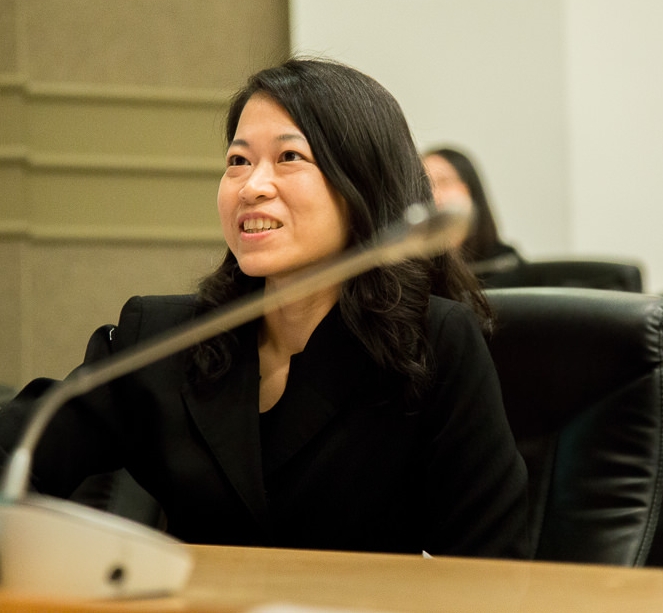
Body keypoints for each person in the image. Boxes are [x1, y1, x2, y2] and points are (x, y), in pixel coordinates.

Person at [0, 58, 529, 559]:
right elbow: (17, 451)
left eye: (289, 157)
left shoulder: (432, 342)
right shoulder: (162, 337)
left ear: (362, 183)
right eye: (238, 161)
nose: (251, 187)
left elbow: (492, 568)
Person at [422, 147, 523, 277]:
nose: (434, 195)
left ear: (469, 189)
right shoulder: (415, 268)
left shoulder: (504, 263)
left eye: (444, 182)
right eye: (425, 186)